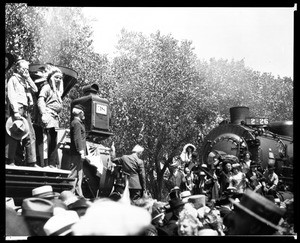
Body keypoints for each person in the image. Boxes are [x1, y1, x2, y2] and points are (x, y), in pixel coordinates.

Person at [5, 59, 39, 167]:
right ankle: (10, 161)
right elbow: (11, 96)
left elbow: (36, 89)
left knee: (30, 135)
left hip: (26, 110)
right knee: (14, 134)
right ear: (18, 68)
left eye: (27, 69)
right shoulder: (13, 79)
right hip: (18, 108)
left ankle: (31, 162)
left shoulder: (25, 81)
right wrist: (15, 111)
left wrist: (28, 77)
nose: (26, 71)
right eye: (24, 69)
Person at [36, 65, 64, 168]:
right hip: (48, 116)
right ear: (52, 77)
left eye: (60, 78)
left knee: (53, 140)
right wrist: (43, 113)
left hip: (55, 118)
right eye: (56, 77)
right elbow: (40, 100)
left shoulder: (57, 91)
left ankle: (52, 163)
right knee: (45, 140)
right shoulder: (47, 87)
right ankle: (43, 163)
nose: (58, 80)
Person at [68, 104, 87, 197]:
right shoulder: (76, 123)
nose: (84, 115)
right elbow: (77, 138)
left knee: (79, 174)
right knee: (74, 174)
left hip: (78, 153)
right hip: (77, 153)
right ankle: (70, 194)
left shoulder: (77, 123)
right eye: (83, 113)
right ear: (80, 113)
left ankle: (79, 194)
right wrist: (81, 150)